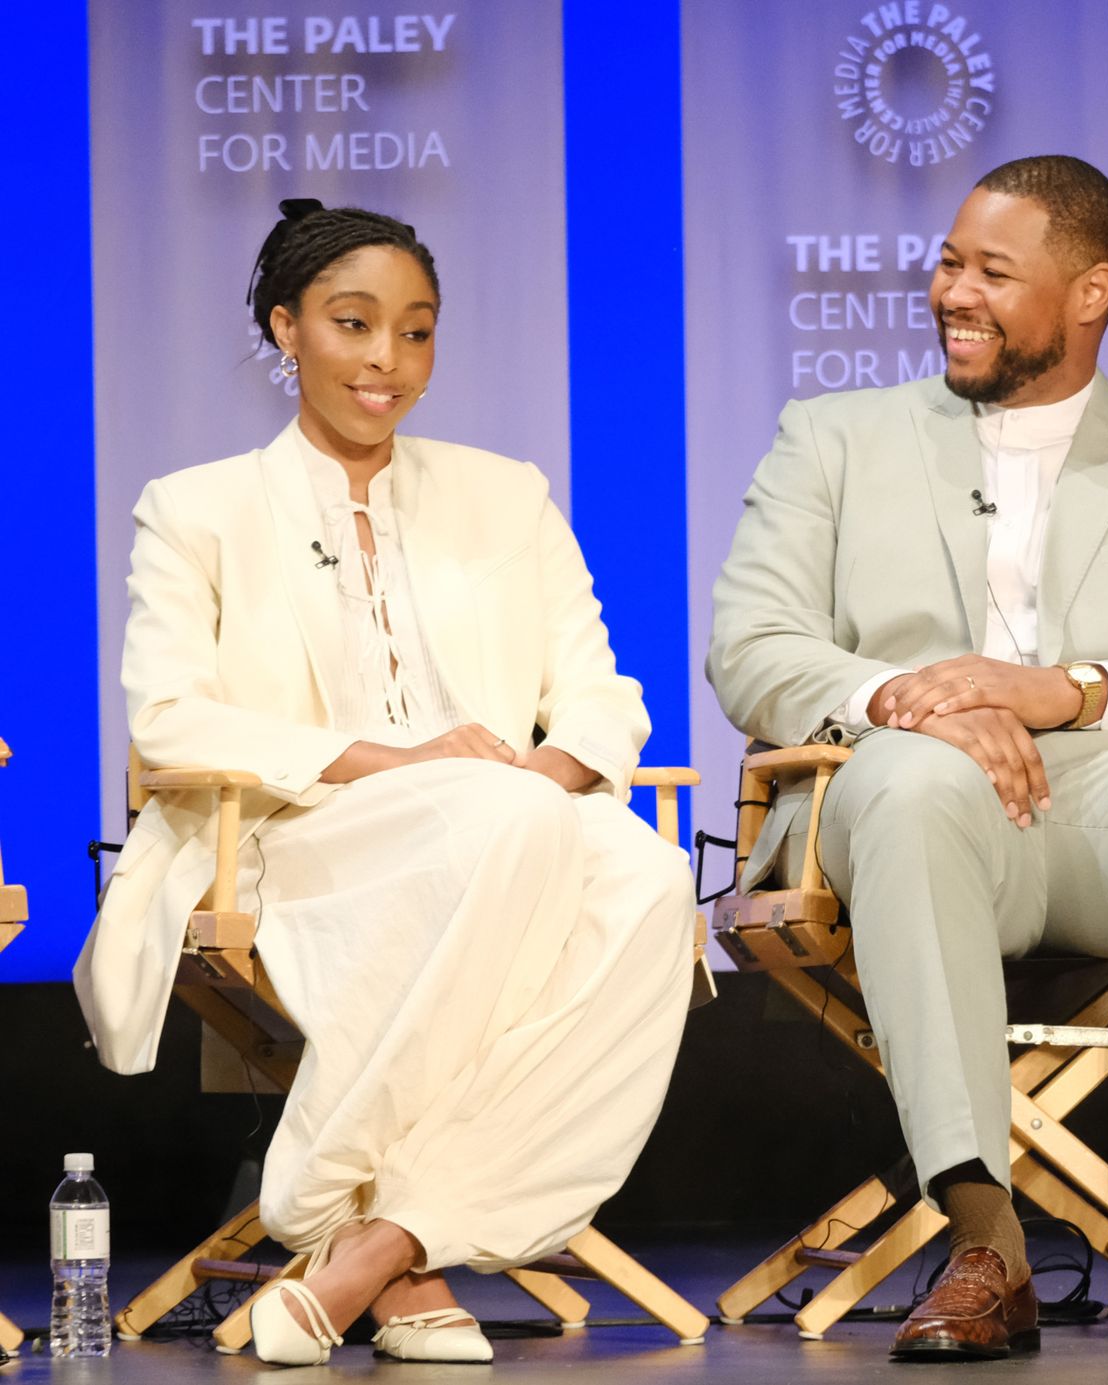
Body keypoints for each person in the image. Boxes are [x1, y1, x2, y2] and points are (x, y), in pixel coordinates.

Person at [708, 155, 1108, 1361]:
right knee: (916, 779)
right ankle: (983, 1237)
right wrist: (911, 697)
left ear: (1090, 290)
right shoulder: (830, 436)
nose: (953, 290)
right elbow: (749, 643)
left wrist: (1068, 689)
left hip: (1106, 794)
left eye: (992, 272)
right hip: (887, 783)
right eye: (949, 261)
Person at [75, 199, 696, 1366]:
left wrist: (547, 766)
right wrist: (390, 761)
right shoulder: (195, 506)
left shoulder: (502, 491)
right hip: (298, 828)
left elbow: (603, 692)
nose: (386, 361)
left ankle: (377, 1240)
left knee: (654, 883)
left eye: (415, 332)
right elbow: (168, 716)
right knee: (508, 823)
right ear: (285, 328)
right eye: (353, 324)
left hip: (508, 814)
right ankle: (349, 1220)